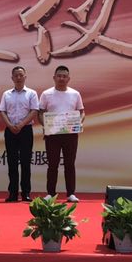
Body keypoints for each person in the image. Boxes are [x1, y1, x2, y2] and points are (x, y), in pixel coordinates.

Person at [38, 65, 85, 203]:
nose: (61, 78)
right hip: (52, 135)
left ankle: (71, 193)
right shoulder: (46, 94)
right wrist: (46, 125)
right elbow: (40, 112)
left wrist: (79, 122)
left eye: (64, 76)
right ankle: (50, 193)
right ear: (54, 77)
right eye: (59, 76)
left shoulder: (75, 94)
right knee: (52, 164)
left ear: (68, 78)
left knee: (70, 164)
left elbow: (81, 112)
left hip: (70, 134)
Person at [0, 66, 39, 202]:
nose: (18, 77)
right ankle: (13, 193)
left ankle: (26, 193)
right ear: (12, 78)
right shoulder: (6, 94)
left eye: (21, 75)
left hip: (25, 130)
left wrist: (21, 125)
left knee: (26, 162)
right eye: (16, 75)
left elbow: (34, 111)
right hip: (10, 130)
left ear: (25, 77)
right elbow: (2, 111)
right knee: (12, 162)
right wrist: (10, 125)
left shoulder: (31, 93)